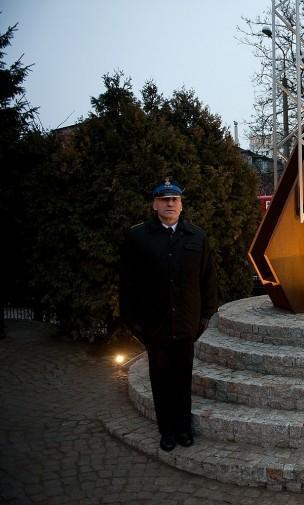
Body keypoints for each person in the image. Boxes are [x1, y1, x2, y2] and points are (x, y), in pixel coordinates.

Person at [120, 178, 218, 452]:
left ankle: (184, 428)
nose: (170, 204)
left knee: (183, 379)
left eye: (175, 199)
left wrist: (206, 316)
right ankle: (167, 431)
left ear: (181, 204)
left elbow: (208, 279)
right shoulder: (138, 237)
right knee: (161, 381)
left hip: (187, 324)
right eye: (164, 200)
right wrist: (135, 324)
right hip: (155, 326)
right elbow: (128, 284)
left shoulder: (197, 237)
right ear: (155, 204)